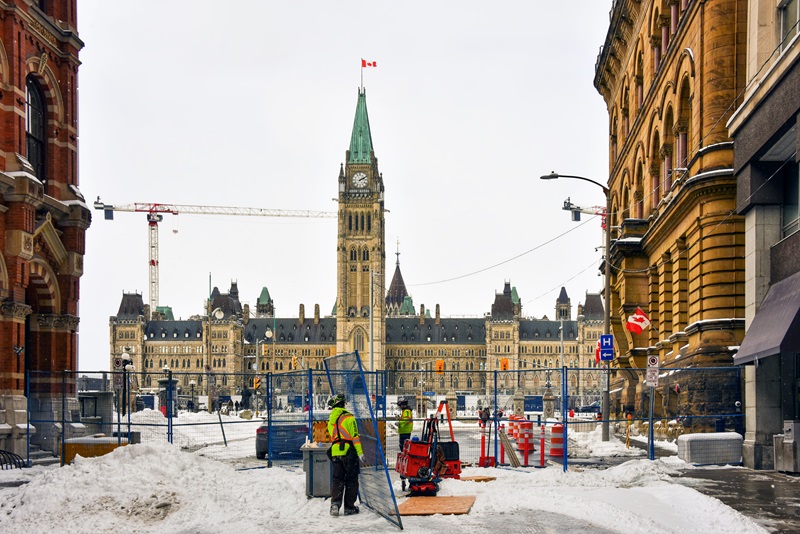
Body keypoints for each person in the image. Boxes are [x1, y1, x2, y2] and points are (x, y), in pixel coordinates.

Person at [327, 393, 365, 517]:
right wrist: (360, 453)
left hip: (335, 452)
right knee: (351, 480)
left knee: (337, 479)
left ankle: (335, 505)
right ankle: (349, 507)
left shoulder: (331, 419)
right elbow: (355, 436)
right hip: (348, 452)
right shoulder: (349, 417)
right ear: (343, 404)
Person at [397, 399, 413, 491]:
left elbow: (406, 420)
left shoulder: (406, 411)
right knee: (404, 451)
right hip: (404, 432)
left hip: (405, 432)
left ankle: (404, 478)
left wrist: (399, 422)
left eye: (400, 405)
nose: (399, 407)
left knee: (404, 451)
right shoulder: (406, 411)